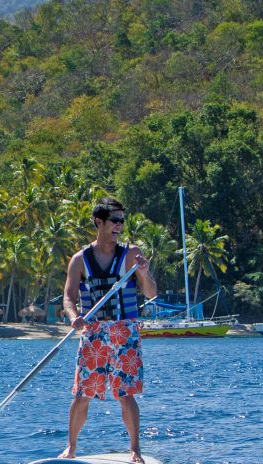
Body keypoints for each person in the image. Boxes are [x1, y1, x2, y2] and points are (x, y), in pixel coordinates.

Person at [58, 198, 155, 462]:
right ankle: (71, 448)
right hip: (94, 332)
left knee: (126, 394)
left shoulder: (131, 255)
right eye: (115, 220)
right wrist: (74, 316)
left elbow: (150, 292)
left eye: (122, 221)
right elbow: (68, 297)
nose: (119, 226)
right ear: (98, 222)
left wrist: (144, 272)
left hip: (125, 332)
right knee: (82, 394)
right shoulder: (79, 260)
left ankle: (135, 450)